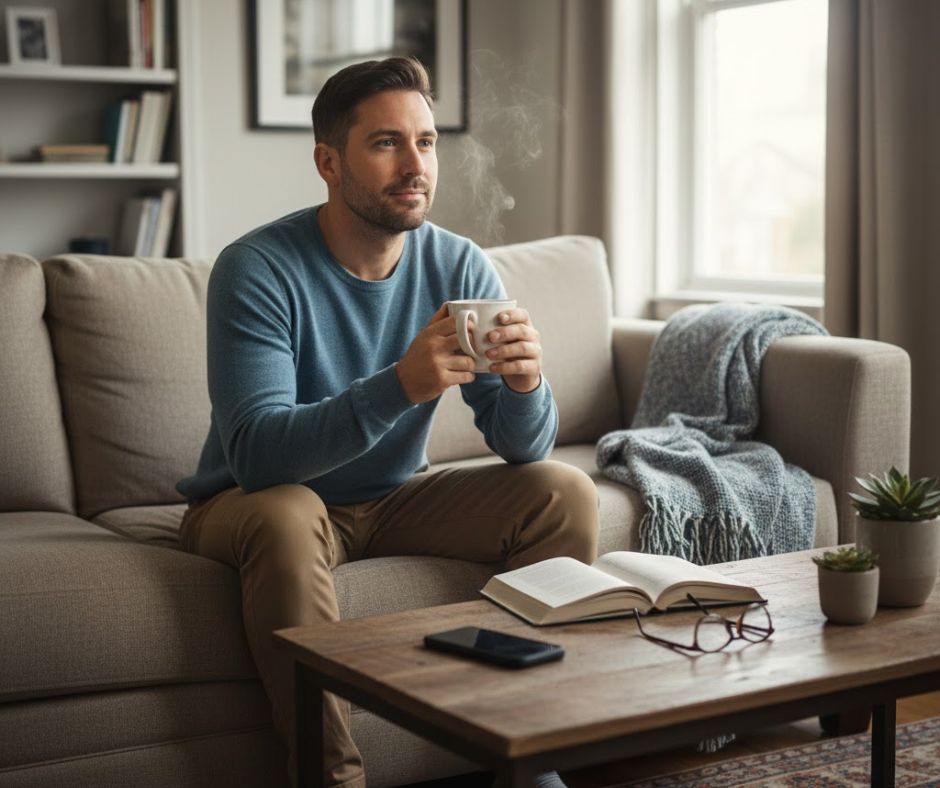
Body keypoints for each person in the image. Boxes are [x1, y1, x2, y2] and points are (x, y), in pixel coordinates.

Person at [176, 56, 599, 788]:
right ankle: (331, 777)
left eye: (427, 142)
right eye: (386, 143)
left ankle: (529, 760)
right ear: (328, 162)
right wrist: (399, 387)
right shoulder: (258, 269)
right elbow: (257, 455)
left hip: (396, 497)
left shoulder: (460, 264)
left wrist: (528, 383)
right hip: (250, 501)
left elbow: (520, 446)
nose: (415, 165)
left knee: (563, 492)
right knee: (287, 511)